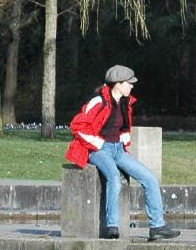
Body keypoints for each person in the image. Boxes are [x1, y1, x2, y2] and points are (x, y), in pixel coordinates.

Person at [65, 65, 180, 241]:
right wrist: (99, 143)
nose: (132, 86)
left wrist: (123, 143)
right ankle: (112, 226)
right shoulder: (98, 101)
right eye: (129, 83)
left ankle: (157, 227)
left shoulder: (125, 103)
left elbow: (124, 128)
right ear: (117, 84)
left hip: (117, 150)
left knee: (150, 179)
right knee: (114, 179)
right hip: (98, 150)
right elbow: (77, 126)